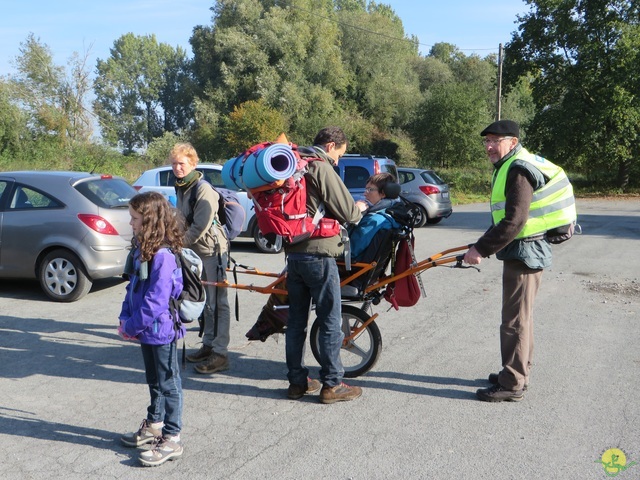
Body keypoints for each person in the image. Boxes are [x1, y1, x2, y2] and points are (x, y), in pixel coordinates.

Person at [463, 120, 575, 402]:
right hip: (522, 250)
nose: (489, 146)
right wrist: (479, 243)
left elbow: (514, 220)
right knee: (520, 319)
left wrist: (481, 250)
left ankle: (512, 382)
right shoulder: (511, 165)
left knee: (514, 321)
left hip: (525, 252)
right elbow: (505, 218)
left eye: (495, 141)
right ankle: (516, 371)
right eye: (486, 141)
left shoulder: (518, 169)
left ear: (512, 143)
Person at [285, 126, 363, 403]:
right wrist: (360, 208)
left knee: (295, 322)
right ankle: (332, 384)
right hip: (319, 254)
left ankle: (296, 382)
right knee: (330, 319)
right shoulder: (319, 166)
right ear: (330, 146)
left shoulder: (293, 164)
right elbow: (348, 212)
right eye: (340, 154)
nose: (338, 161)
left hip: (293, 255)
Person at [118, 191, 185, 466]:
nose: (130, 223)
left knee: (169, 384)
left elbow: (157, 301)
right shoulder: (142, 250)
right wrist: (125, 318)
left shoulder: (163, 256)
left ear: (150, 221)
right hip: (145, 330)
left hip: (161, 330)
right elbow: (132, 287)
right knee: (154, 380)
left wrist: (132, 325)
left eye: (134, 219)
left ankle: (172, 437)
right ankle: (155, 424)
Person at [170, 143, 232, 375]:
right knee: (204, 301)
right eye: (174, 163)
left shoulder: (202, 189)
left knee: (218, 303)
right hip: (194, 252)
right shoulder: (181, 187)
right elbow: (181, 220)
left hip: (211, 251)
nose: (177, 168)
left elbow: (199, 226)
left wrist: (178, 243)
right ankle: (208, 344)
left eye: (182, 163)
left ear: (193, 164)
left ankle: (220, 352)